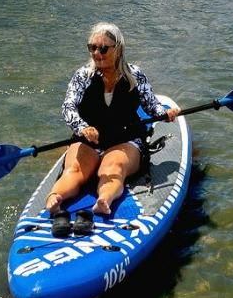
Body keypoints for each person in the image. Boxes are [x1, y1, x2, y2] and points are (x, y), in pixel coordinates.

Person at [45, 22, 179, 238]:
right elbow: (68, 107)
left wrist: (166, 112)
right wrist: (82, 127)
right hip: (89, 138)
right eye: (92, 48)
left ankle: (103, 201)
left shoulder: (135, 75)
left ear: (118, 49)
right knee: (74, 171)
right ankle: (54, 198)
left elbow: (151, 105)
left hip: (124, 138)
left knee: (112, 168)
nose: (97, 54)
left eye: (103, 48)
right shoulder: (83, 76)